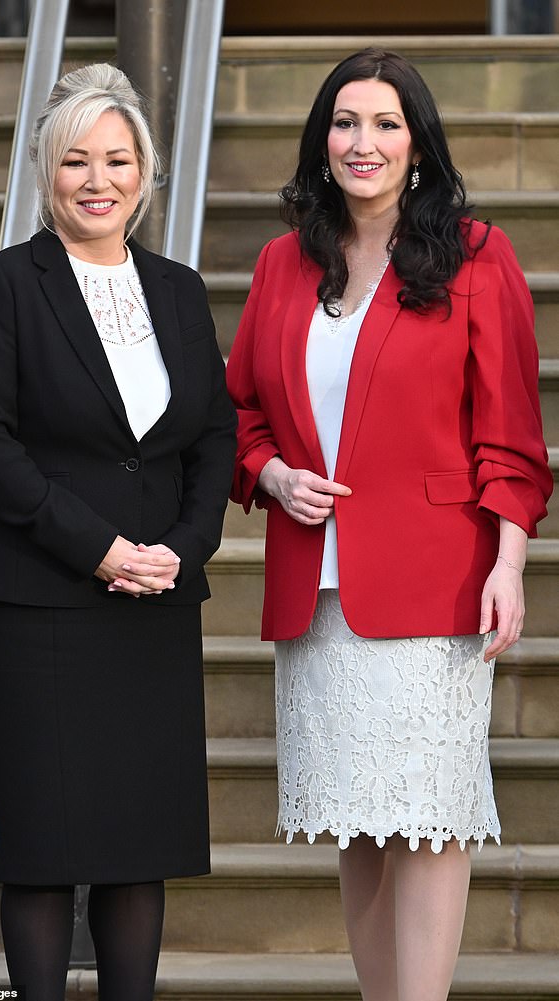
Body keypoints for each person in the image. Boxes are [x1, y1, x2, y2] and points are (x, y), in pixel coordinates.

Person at [225, 48, 552, 1001]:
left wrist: (510, 562)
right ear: (321, 141)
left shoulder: (479, 256)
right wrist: (273, 474)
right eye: (345, 122)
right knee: (358, 823)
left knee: (430, 817)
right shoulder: (284, 262)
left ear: (418, 145)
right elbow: (239, 411)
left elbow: (514, 440)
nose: (362, 142)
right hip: (315, 594)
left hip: (434, 580)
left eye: (386, 124)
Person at [0, 63, 237, 1001]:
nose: (97, 178)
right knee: (43, 847)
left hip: (152, 603)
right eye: (76, 160)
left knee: (134, 847)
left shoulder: (179, 289)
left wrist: (184, 548)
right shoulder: (3, 284)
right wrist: (100, 548)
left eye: (117, 159)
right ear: (46, 172)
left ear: (147, 174)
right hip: (41, 600)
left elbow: (214, 437)